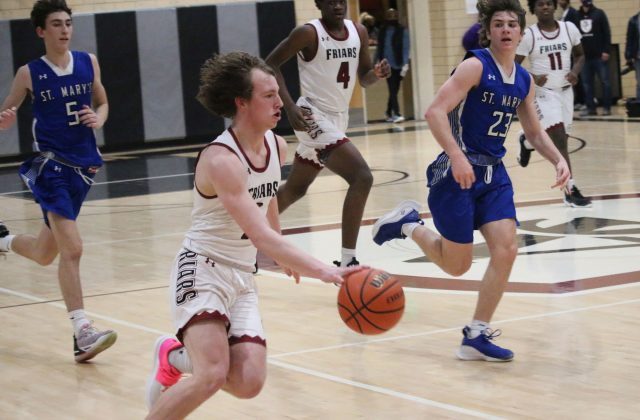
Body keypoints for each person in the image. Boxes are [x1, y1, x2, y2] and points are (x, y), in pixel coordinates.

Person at [144, 51, 362, 419]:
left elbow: (267, 202)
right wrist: (322, 269)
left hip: (242, 277)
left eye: (278, 93)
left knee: (248, 381)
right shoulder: (221, 160)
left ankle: (175, 356)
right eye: (268, 95)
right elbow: (259, 235)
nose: (280, 103)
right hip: (202, 269)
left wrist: (282, 254)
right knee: (212, 374)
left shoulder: (276, 146)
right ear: (241, 103)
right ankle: (178, 363)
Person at [372, 0, 570, 362]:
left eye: (512, 24)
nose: (506, 30)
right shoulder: (475, 65)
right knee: (457, 265)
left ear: (521, 34)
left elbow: (534, 131)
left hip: (494, 174)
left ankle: (476, 333)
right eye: (499, 24)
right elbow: (434, 112)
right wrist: (457, 156)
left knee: (506, 249)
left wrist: (558, 159)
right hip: (456, 174)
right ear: (489, 31)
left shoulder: (523, 80)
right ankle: (407, 226)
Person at [0, 0, 116, 362]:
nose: (65, 29)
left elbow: (103, 102)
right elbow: (7, 110)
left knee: (44, 253)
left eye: (67, 23)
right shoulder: (29, 73)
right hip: (50, 166)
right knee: (74, 248)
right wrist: (4, 118)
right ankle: (82, 332)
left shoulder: (88, 61)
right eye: (56, 24)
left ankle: (2, 240)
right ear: (41, 31)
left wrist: (99, 117)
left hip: (83, 166)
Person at [265, 0, 390, 268]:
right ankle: (348, 260)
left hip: (337, 119)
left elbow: (364, 78)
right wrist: (288, 106)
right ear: (319, 3)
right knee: (362, 177)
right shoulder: (308, 33)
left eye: (341, 0)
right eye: (330, 1)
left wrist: (376, 74)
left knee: (297, 188)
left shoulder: (359, 32)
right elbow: (270, 64)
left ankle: (244, 235)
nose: (337, 5)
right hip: (311, 115)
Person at [515, 0, 590, 207]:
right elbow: (514, 65)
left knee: (559, 137)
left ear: (555, 6)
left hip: (566, 92)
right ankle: (570, 189)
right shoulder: (529, 35)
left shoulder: (569, 28)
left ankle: (527, 141)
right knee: (559, 140)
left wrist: (575, 72)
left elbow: (581, 55)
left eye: (548, 3)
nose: (545, 7)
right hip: (543, 93)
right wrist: (532, 77)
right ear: (534, 9)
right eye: (540, 5)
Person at [576, 0, 612, 116]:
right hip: (584, 57)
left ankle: (607, 108)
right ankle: (591, 108)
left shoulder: (599, 13)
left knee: (605, 82)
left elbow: (607, 32)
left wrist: (606, 50)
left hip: (599, 56)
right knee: (587, 84)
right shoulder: (577, 15)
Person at [376, 8, 410, 123]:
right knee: (392, 88)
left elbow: (406, 48)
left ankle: (388, 112)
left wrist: (405, 65)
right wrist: (375, 62)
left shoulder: (402, 31)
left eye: (394, 16)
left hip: (398, 64)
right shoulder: (383, 31)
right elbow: (379, 48)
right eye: (389, 16)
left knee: (394, 90)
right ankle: (396, 113)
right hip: (386, 65)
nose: (392, 19)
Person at [624, 9, 640, 100]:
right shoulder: (634, 20)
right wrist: (628, 56)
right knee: (639, 82)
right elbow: (629, 39)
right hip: (638, 56)